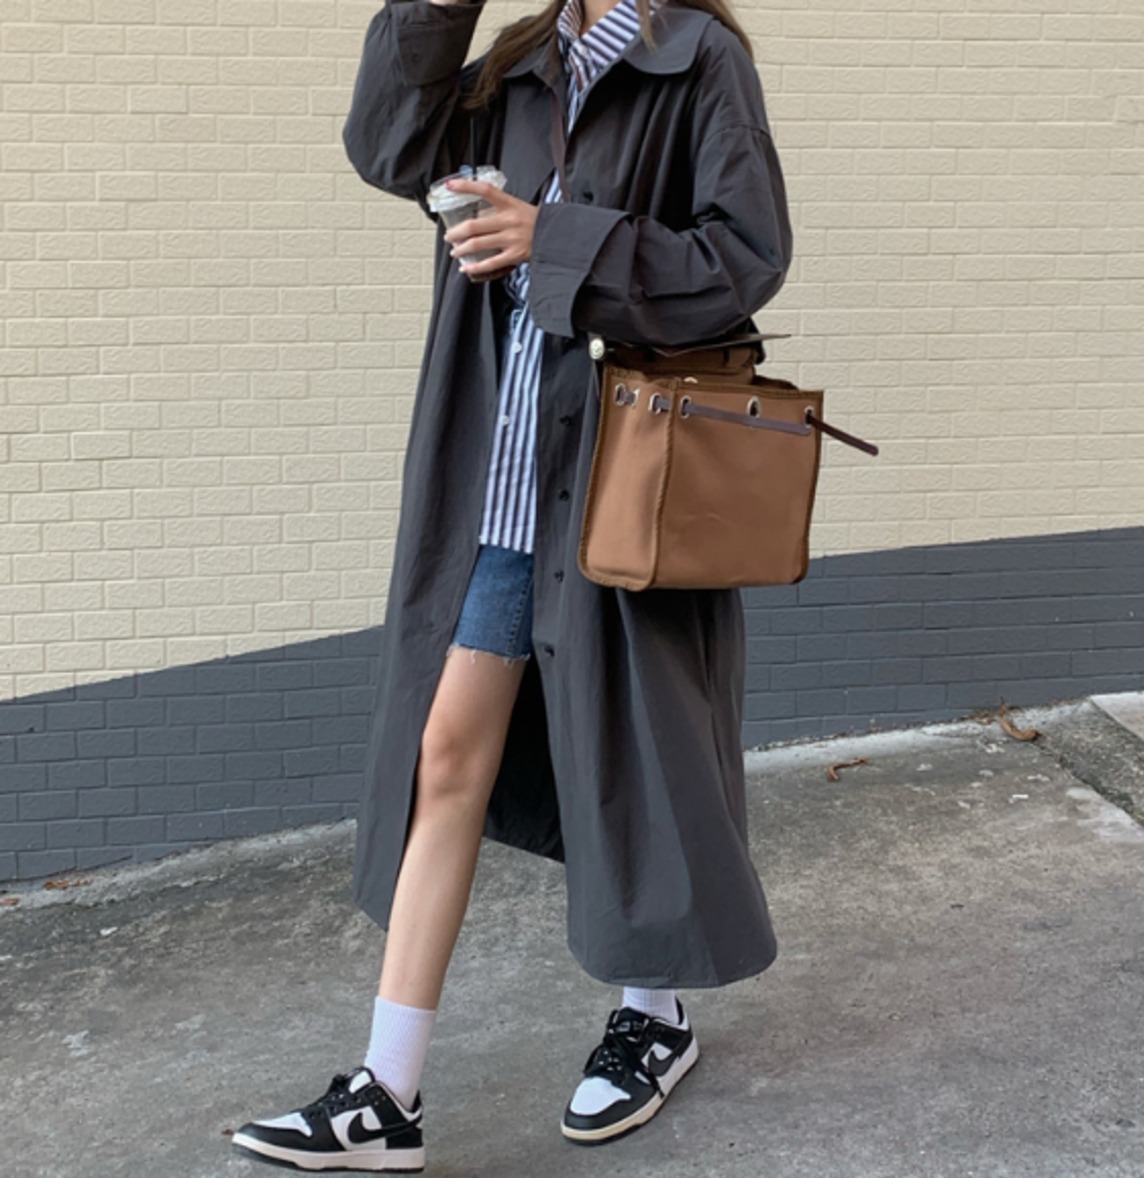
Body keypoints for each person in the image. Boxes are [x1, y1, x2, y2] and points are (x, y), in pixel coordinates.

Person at [231, 0, 792, 1169]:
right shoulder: (514, 66)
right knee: (444, 751)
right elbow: (389, 147)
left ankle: (653, 1013)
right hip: (500, 481)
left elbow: (745, 256)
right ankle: (387, 1091)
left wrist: (557, 239)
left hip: (624, 476)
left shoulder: (697, 62)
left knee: (635, 747)